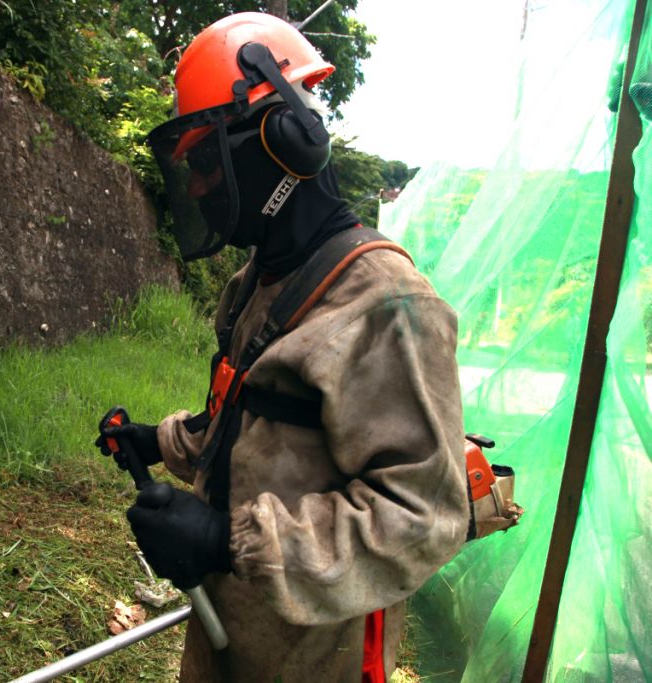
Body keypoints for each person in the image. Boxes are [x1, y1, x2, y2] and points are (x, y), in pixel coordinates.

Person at [96, 13, 469, 682]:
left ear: (284, 139)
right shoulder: (254, 283)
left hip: (313, 658)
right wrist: (158, 440)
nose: (201, 186)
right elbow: (248, 420)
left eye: (207, 158)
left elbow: (423, 515)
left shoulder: (387, 304)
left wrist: (224, 541)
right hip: (228, 633)